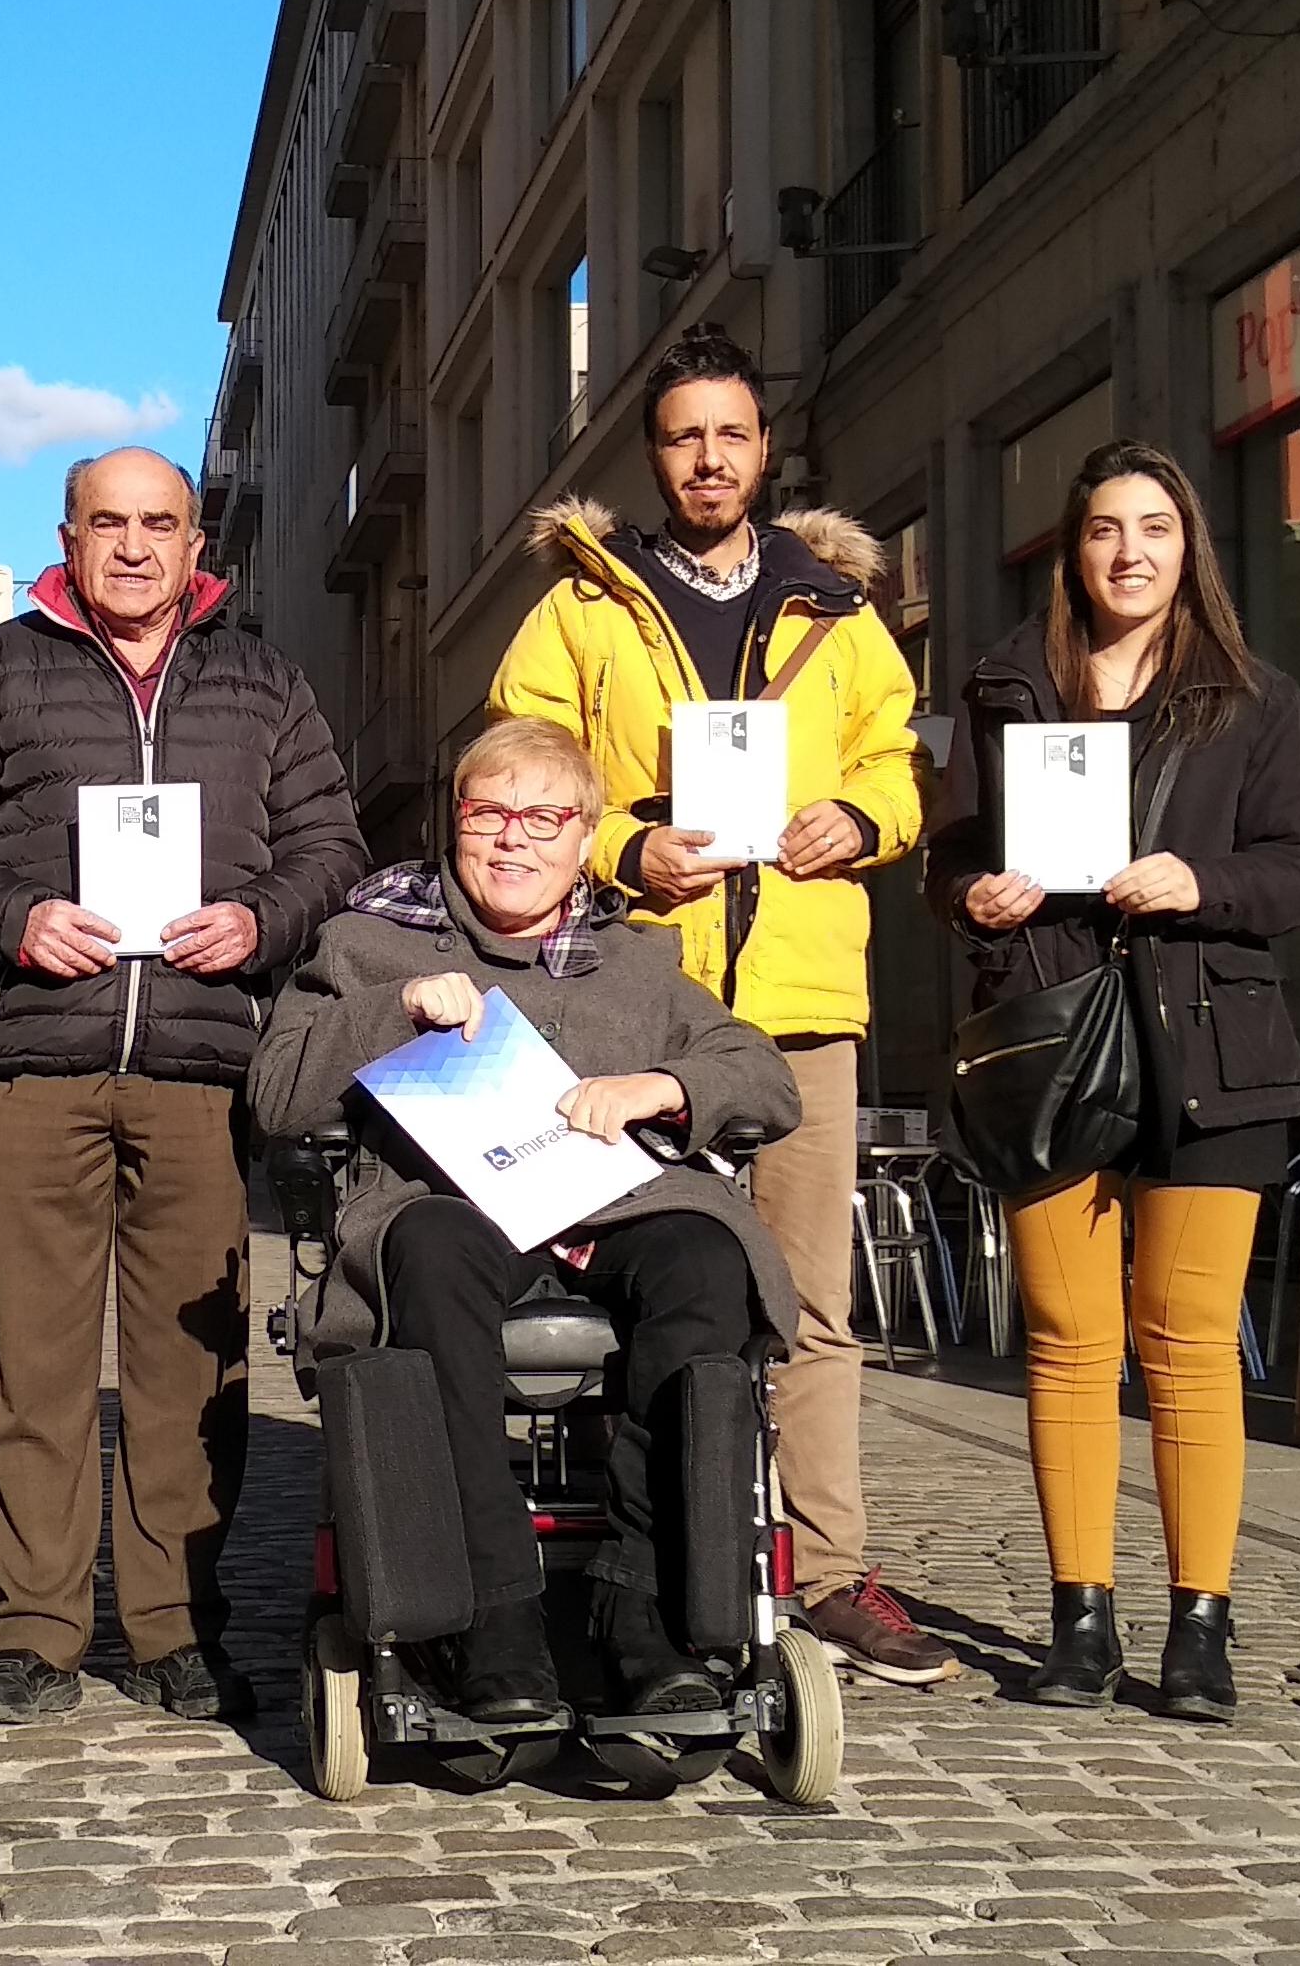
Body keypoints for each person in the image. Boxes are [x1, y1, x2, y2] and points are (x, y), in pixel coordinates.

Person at [487, 323, 953, 1688]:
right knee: (637, 1285)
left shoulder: (839, 611)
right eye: (683, 435)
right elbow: (517, 767)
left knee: (811, 1302)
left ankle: (824, 1566)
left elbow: (900, 760)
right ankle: (641, 1556)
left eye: (729, 434)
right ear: (652, 454)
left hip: (801, 1003)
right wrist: (625, 846)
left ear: (763, 451)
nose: (707, 456)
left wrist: (858, 816)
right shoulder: (582, 607)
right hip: (632, 1004)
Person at [0, 446, 366, 1726]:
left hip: (208, 1064)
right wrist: (12, 916)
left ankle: (174, 1629)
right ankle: (32, 1633)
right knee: (30, 1362)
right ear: (70, 532)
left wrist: (259, 923)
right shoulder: (1, 669)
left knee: (188, 1370)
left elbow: (333, 844)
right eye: (111, 523)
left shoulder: (264, 682)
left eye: (161, 523)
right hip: (46, 1055)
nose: (137, 547)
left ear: (197, 542)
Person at [250, 719, 804, 1721]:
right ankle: (493, 1615)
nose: (515, 839)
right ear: (453, 825)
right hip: (448, 1205)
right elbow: (279, 1095)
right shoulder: (369, 942)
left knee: (704, 1252)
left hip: (618, 1204)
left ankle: (648, 1609)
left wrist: (663, 1084)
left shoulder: (639, 959)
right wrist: (395, 1011)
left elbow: (764, 1077)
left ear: (586, 837)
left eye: (544, 817)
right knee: (432, 1247)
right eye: (489, 813)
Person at [923, 439, 1300, 1723]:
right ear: (1073, 547)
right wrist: (974, 899)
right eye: (1105, 528)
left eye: (1154, 527)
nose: (1129, 552)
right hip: (1050, 1049)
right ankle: (1080, 1621)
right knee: (1066, 1342)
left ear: (1188, 547)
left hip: (1213, 1051)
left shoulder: (1252, 699)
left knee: (1190, 1342)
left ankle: (1200, 1629)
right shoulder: (1006, 689)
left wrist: (1202, 884)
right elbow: (951, 858)